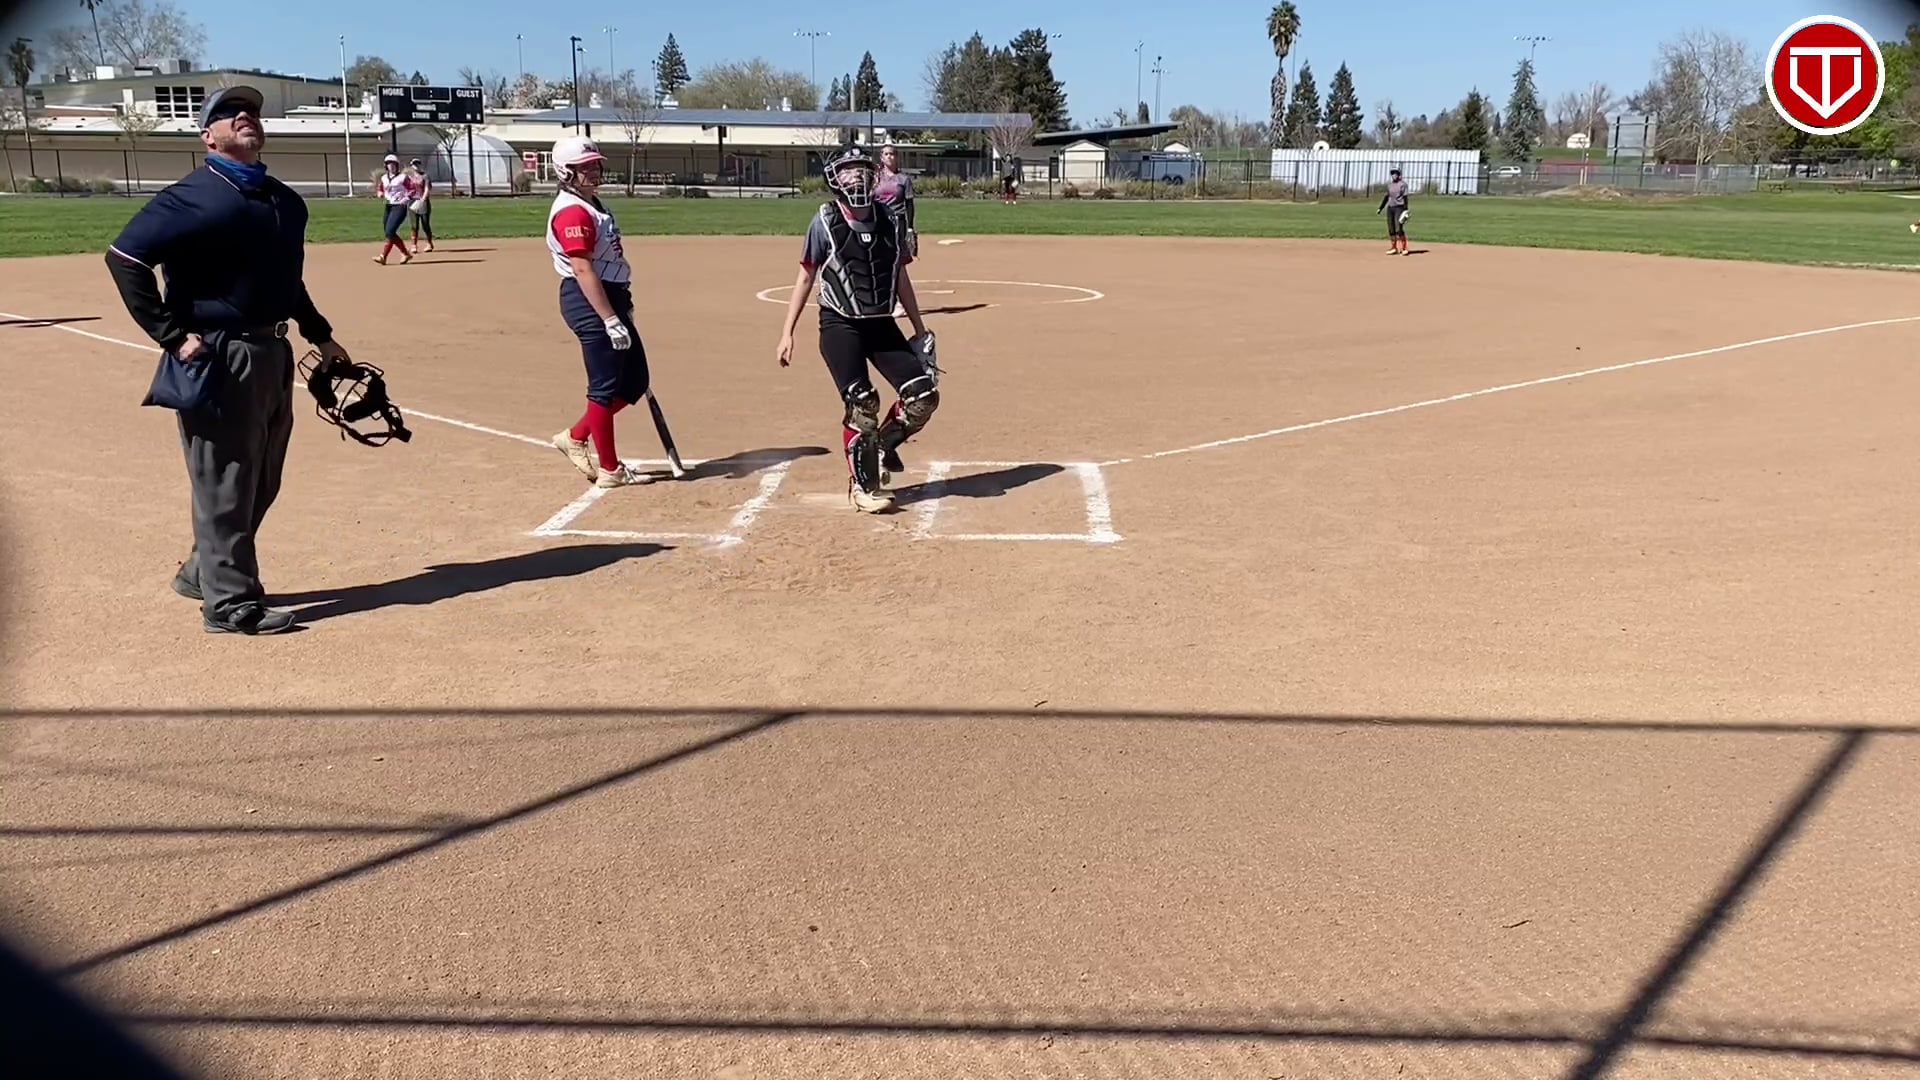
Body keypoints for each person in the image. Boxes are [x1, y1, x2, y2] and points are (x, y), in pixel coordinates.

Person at [104, 84, 356, 634]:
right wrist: (171, 335)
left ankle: (203, 572)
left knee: (261, 479)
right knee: (226, 479)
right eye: (229, 113)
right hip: (217, 354)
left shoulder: (284, 202)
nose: (246, 116)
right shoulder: (191, 196)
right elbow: (124, 258)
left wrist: (321, 336)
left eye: (252, 112)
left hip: (272, 350)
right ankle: (230, 604)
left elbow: (287, 282)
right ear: (208, 136)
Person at [774, 146, 937, 513]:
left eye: (862, 169)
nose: (856, 177)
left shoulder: (889, 219)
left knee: (923, 396)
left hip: (880, 323)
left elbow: (899, 275)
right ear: (835, 178)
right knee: (863, 403)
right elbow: (806, 276)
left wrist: (919, 328)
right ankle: (863, 487)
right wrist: (787, 332)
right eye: (848, 171)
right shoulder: (825, 221)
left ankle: (882, 444)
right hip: (840, 324)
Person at [544, 135, 654, 489]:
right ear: (565, 171)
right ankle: (610, 469)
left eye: (595, 165)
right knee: (604, 386)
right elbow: (582, 268)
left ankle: (576, 436)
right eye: (583, 167)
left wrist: (622, 305)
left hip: (611, 296)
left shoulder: (590, 202)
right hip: (589, 300)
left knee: (635, 381)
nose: (593, 171)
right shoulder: (572, 211)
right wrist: (609, 319)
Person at [874, 142, 918, 318]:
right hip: (878, 222)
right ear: (881, 157)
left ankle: (899, 302)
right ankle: (883, 299)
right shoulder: (875, 178)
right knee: (878, 260)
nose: (889, 157)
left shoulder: (903, 179)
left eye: (892, 153)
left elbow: (909, 205)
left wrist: (910, 227)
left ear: (896, 157)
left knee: (897, 262)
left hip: (897, 223)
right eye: (886, 154)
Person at [371, 153, 416, 265]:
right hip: (388, 206)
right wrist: (380, 193)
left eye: (393, 164)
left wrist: (406, 198)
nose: (391, 166)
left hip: (399, 206)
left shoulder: (403, 177)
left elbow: (412, 189)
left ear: (397, 165)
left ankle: (383, 256)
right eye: (389, 164)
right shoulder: (384, 178)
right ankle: (405, 253)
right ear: (386, 166)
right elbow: (381, 188)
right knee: (388, 232)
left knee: (390, 231)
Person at [1377, 167, 1411, 255]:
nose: (1393, 175)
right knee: (1391, 229)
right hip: (1390, 208)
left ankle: (1404, 248)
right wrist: (1380, 208)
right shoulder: (1390, 185)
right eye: (1392, 173)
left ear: (1399, 174)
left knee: (1398, 229)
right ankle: (1394, 248)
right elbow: (1386, 197)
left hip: (1399, 207)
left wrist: (1405, 210)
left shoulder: (1403, 185)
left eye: (1395, 173)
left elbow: (1405, 197)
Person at [406, 157, 436, 252]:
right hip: (412, 201)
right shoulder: (408, 177)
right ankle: (414, 245)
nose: (416, 166)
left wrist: (423, 199)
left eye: (418, 164)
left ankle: (429, 243)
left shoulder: (425, 176)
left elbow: (427, 188)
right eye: (414, 164)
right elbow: (405, 189)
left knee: (425, 224)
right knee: (414, 225)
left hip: (423, 201)